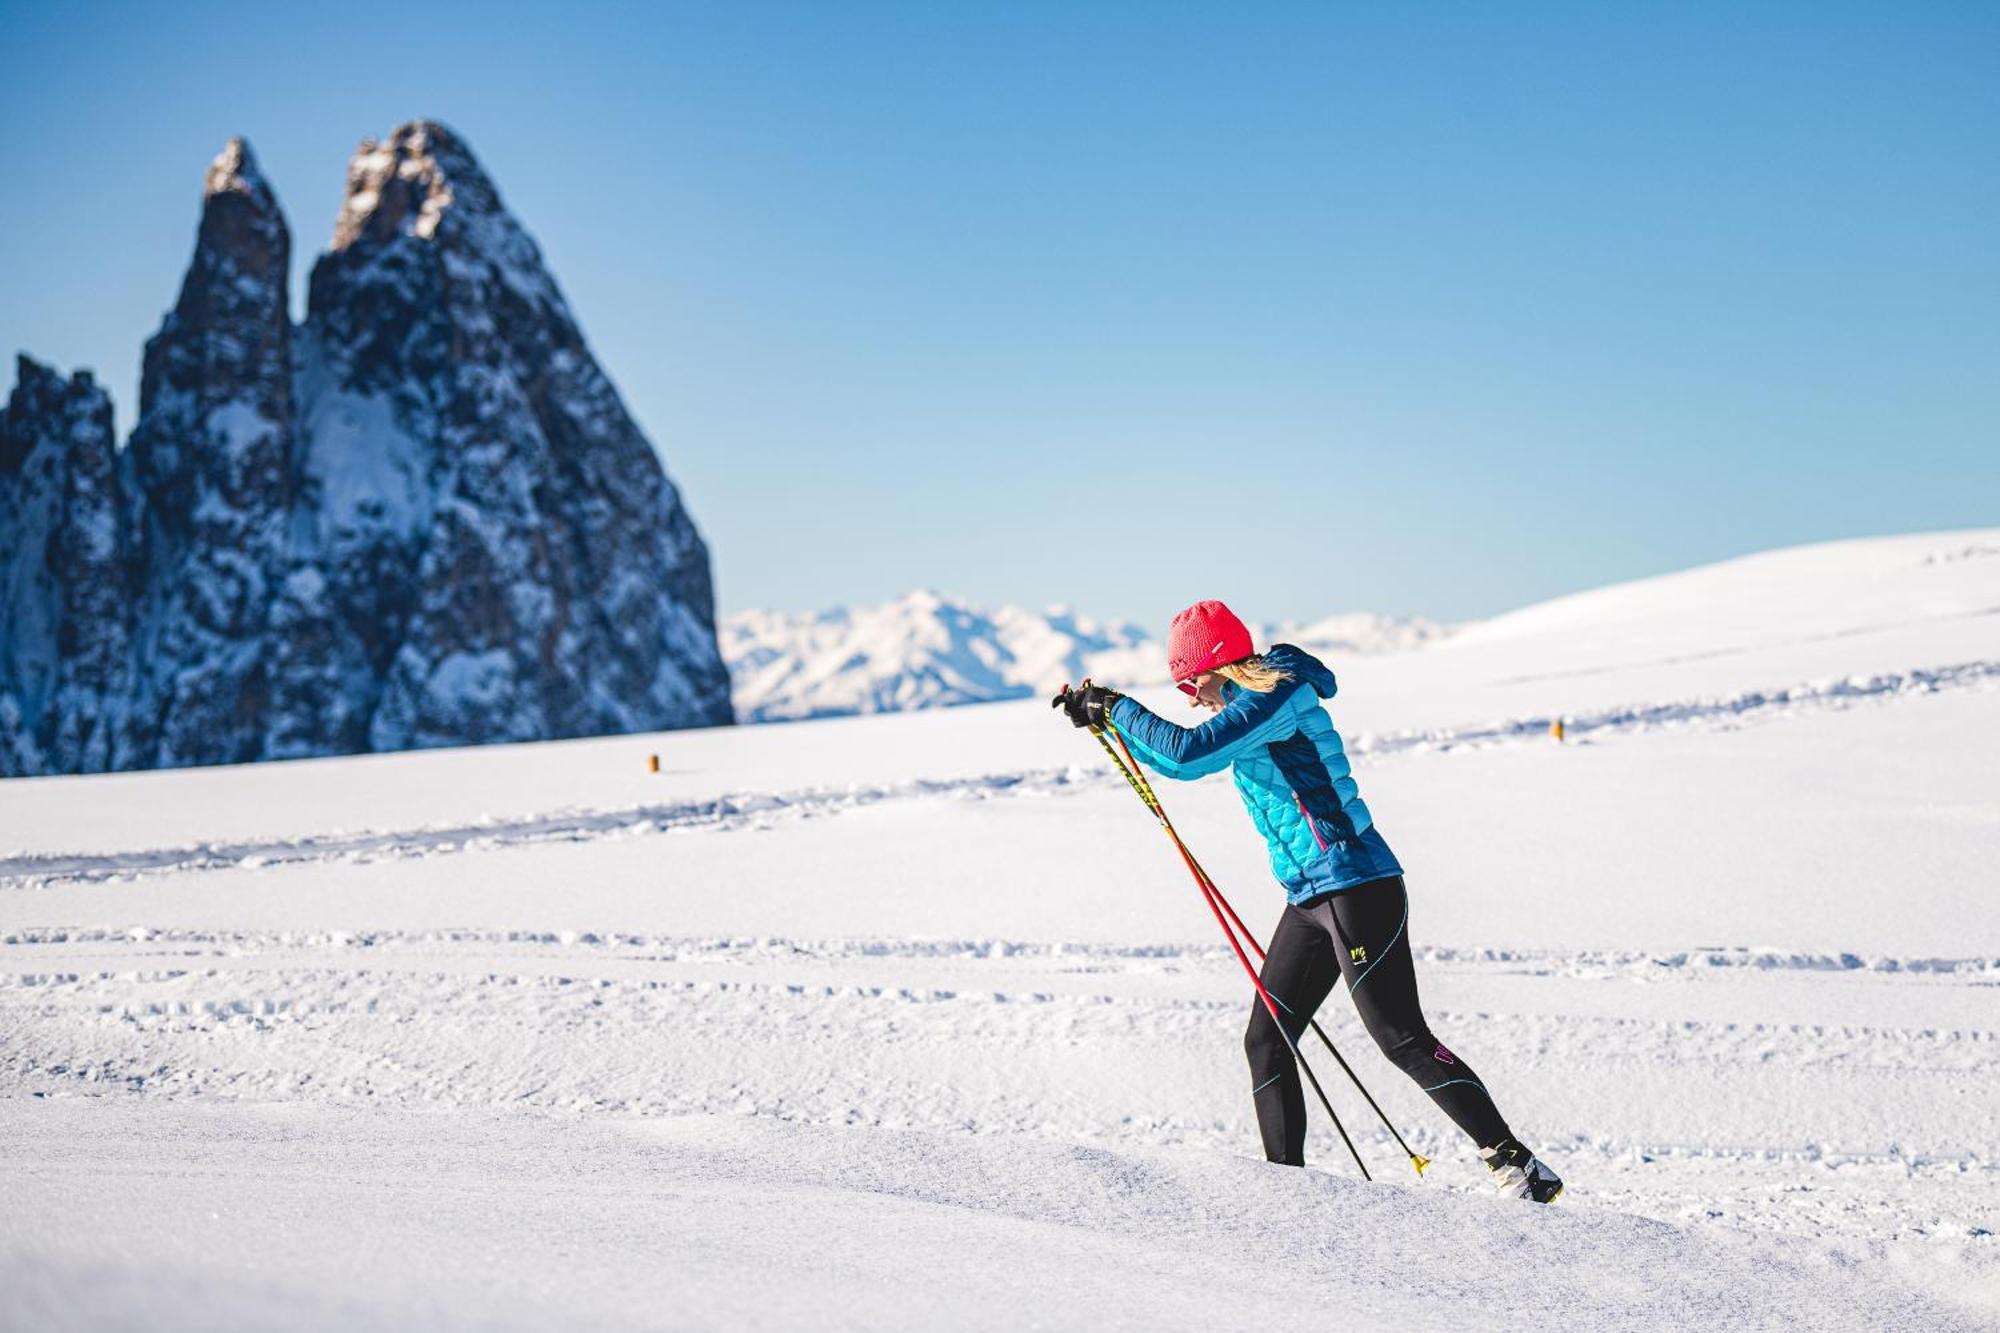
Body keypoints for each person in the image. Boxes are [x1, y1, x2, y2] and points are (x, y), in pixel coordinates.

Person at [1053, 598, 1562, 1202]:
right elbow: (1178, 758)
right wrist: (1107, 721)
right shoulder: (1249, 706)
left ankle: (1518, 1166)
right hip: (1309, 896)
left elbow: (1188, 756)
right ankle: (1286, 1195)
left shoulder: (1275, 697)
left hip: (1356, 884)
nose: (1190, 697)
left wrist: (1116, 706)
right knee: (1265, 1038)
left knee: (1399, 1036)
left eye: (1191, 682)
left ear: (1219, 667)